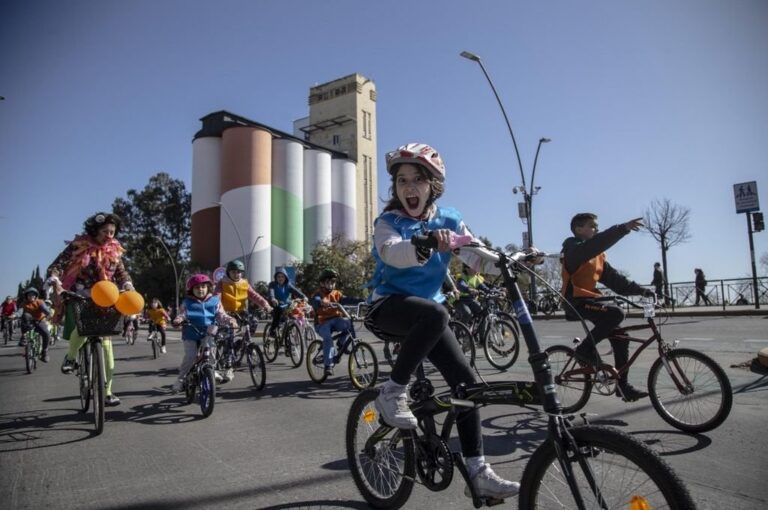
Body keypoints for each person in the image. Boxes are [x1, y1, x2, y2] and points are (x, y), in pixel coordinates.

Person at [365, 142, 519, 500]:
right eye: (402, 180)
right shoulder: (388, 223)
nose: (409, 187)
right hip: (387, 307)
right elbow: (392, 252)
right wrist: (424, 243)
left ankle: (478, 472)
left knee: (468, 385)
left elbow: (475, 256)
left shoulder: (449, 220)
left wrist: (510, 262)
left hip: (428, 317)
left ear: (433, 185)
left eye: (417, 180)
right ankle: (391, 392)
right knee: (436, 312)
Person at [560, 212, 656, 402]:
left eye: (597, 226)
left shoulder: (597, 256)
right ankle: (584, 351)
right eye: (592, 226)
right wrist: (622, 229)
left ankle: (623, 387)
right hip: (575, 302)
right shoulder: (573, 249)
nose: (596, 229)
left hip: (591, 301)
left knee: (622, 337)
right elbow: (594, 245)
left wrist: (642, 291)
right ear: (578, 229)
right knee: (616, 313)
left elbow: (616, 281)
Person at [48, 212, 134, 407]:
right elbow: (58, 264)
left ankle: (107, 392)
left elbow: (121, 273)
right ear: (95, 230)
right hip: (82, 294)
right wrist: (55, 278)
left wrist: (127, 284)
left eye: (112, 232)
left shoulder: (114, 249)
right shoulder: (79, 245)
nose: (109, 235)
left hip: (107, 296)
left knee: (106, 345)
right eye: (105, 231)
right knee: (83, 328)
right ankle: (70, 358)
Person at [171, 274, 237, 393]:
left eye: (203, 287)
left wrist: (230, 320)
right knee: (190, 357)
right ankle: (180, 380)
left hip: (209, 332)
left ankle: (211, 371)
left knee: (211, 352)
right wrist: (178, 320)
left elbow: (221, 315)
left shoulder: (215, 301)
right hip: (191, 333)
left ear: (208, 288)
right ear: (191, 290)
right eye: (197, 287)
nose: (200, 289)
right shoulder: (187, 302)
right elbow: (182, 314)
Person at [311, 267, 356, 377]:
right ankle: (328, 366)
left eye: (333, 282)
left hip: (336, 320)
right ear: (322, 283)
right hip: (322, 323)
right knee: (328, 339)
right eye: (328, 282)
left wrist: (364, 301)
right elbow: (315, 301)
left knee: (349, 324)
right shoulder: (318, 294)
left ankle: (341, 343)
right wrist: (321, 302)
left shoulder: (337, 294)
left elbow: (348, 300)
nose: (331, 284)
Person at [267, 267, 307, 336]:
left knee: (293, 314)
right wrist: (273, 298)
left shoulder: (288, 285)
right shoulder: (272, 284)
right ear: (276, 278)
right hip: (275, 303)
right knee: (278, 313)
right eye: (278, 277)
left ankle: (288, 332)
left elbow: (296, 291)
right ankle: (272, 330)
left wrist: (304, 297)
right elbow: (271, 293)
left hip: (286, 304)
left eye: (282, 276)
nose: (280, 278)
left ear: (285, 277)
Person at [18, 287, 52, 361]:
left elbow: (45, 309)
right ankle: (24, 338)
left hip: (39, 321)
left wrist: (48, 314)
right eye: (29, 295)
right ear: (26, 296)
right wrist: (14, 315)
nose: (31, 296)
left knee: (46, 333)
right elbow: (19, 312)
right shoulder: (24, 303)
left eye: (33, 295)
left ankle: (44, 353)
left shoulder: (40, 302)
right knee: (25, 315)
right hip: (28, 322)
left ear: (36, 296)